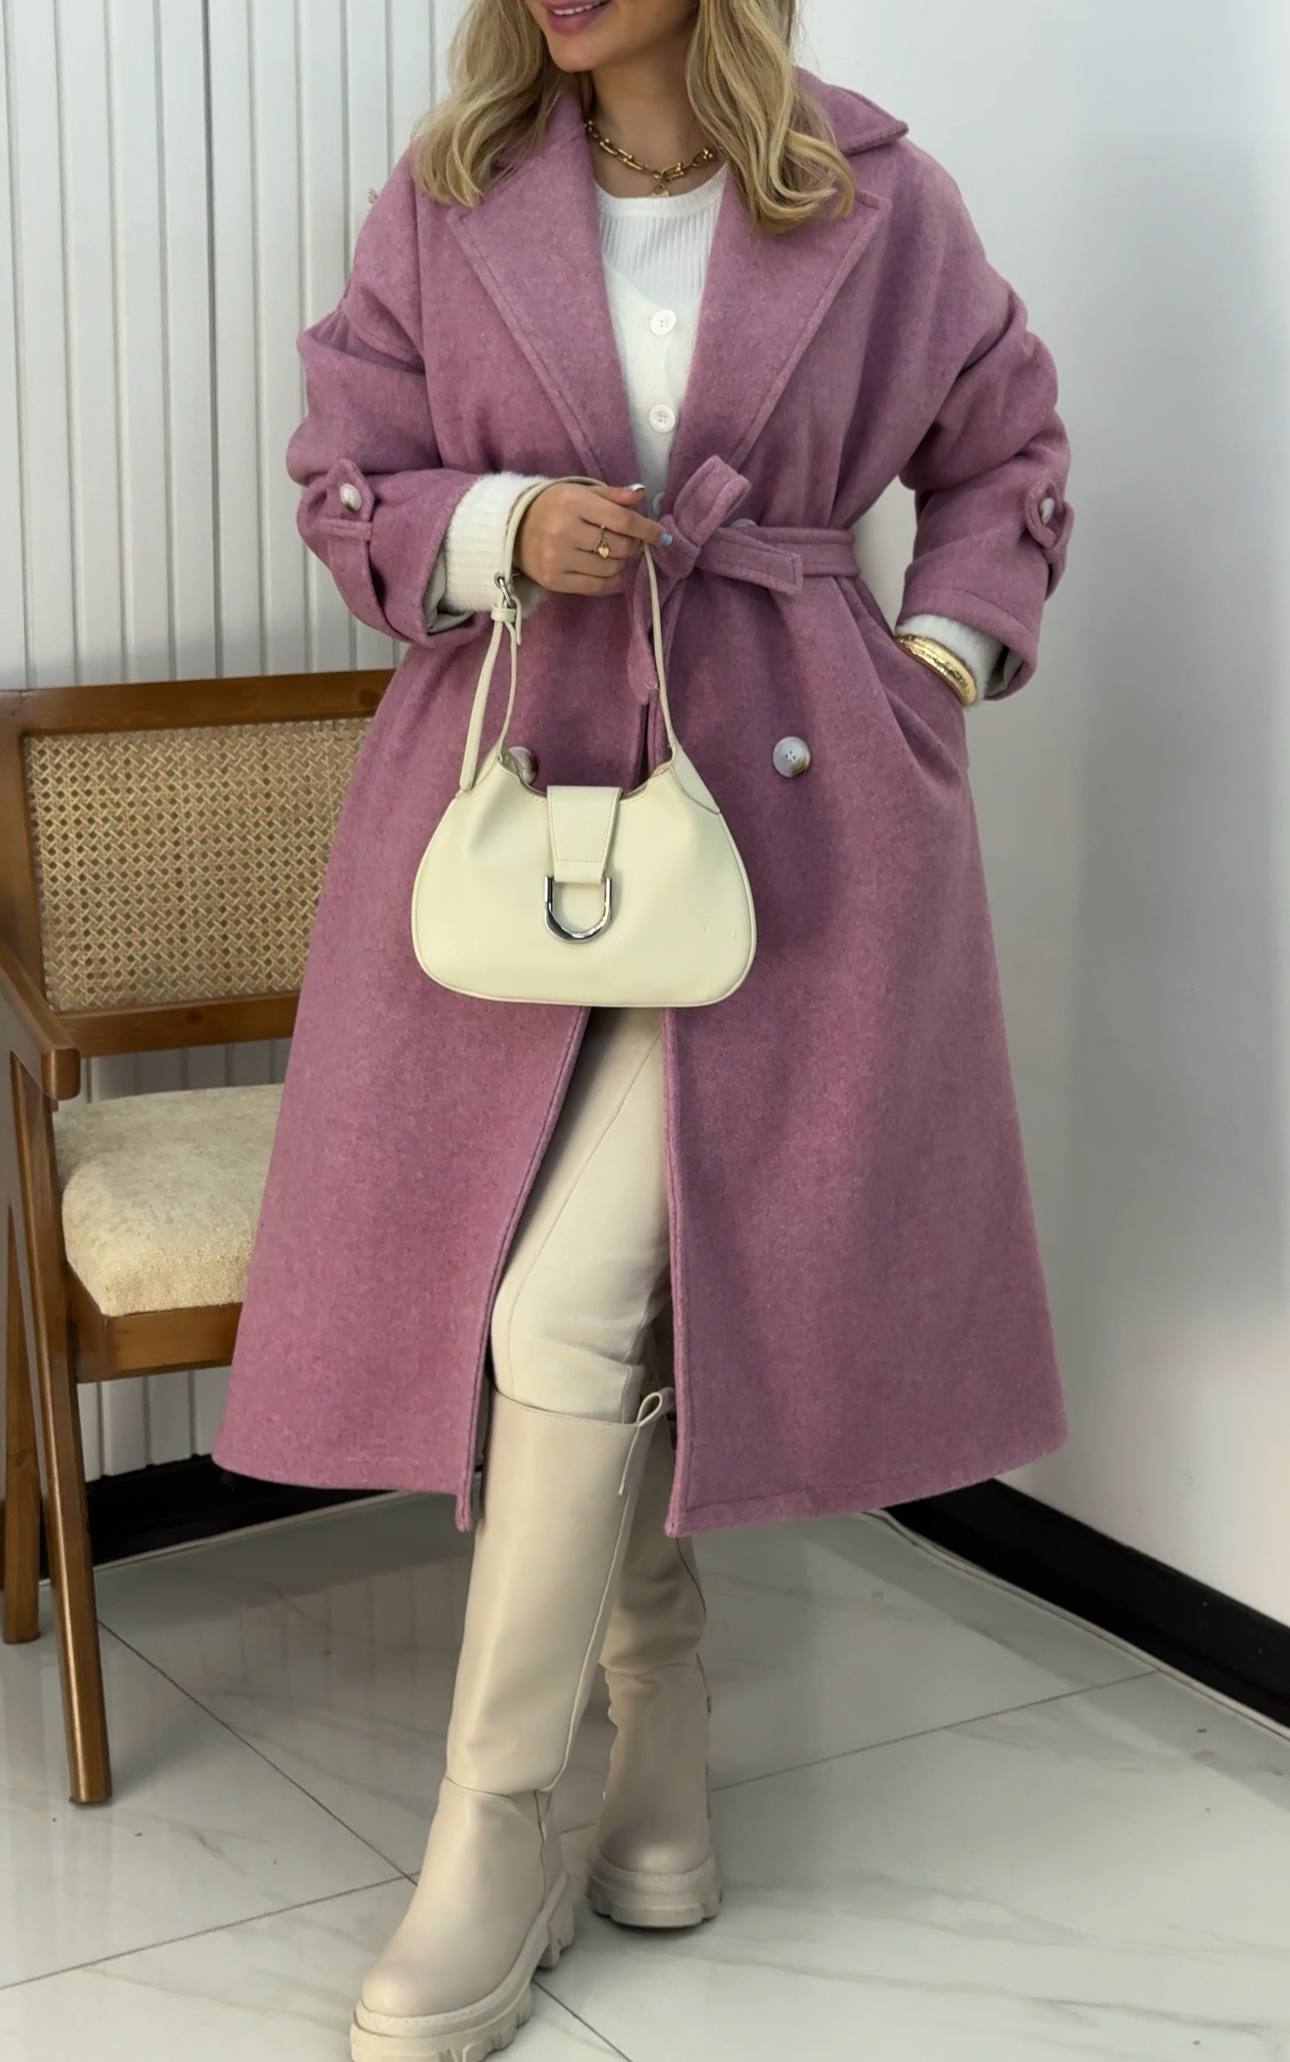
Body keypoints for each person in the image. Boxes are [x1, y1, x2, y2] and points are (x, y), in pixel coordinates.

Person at [210, 3, 1076, 2055]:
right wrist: (497, 526)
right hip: (517, 814)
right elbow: (350, 473)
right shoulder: (447, 199)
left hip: (789, 834)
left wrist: (936, 663)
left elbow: (1004, 451)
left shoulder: (875, 196)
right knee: (555, 1303)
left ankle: (495, 1824)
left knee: (563, 1308)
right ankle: (658, 1738)